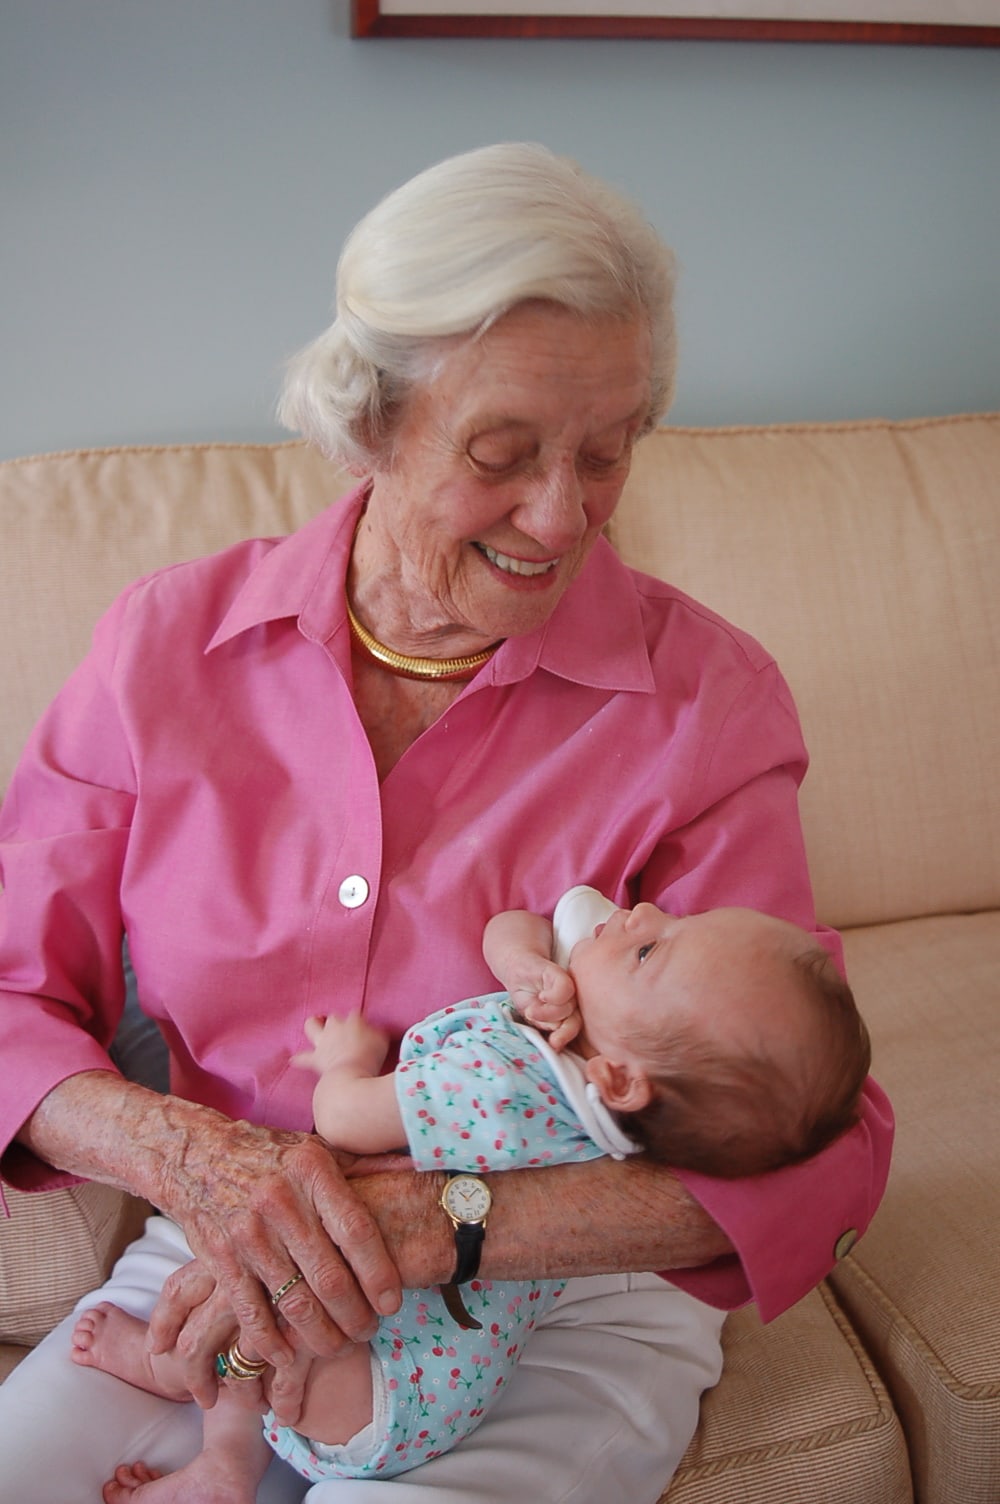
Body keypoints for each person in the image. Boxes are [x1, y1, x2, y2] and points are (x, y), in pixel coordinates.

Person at [0, 142, 893, 1504]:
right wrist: (195, 1158)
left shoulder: (705, 699)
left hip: (566, 1291)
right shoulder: (166, 649)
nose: (562, 516)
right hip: (243, 1232)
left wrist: (448, 1221)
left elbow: (818, 1137)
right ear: (371, 421)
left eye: (607, 454)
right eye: (502, 453)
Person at [69, 886, 871, 1500]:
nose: (649, 909)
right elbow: (522, 925)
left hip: (376, 1373)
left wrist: (350, 1059)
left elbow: (343, 1119)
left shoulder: (497, 1082)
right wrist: (533, 965)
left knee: (282, 1296)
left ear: (620, 1076)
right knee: (293, 1299)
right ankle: (227, 1452)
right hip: (449, 1382)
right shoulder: (635, 1097)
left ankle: (199, 1414)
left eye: (651, 949)